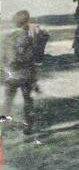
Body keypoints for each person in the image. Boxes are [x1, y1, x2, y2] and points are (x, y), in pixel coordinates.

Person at [3, 10, 47, 142]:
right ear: (27, 22)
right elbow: (31, 60)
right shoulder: (28, 38)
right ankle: (28, 127)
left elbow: (4, 58)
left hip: (10, 75)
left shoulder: (9, 37)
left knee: (8, 101)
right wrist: (35, 82)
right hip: (25, 75)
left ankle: (3, 126)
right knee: (28, 100)